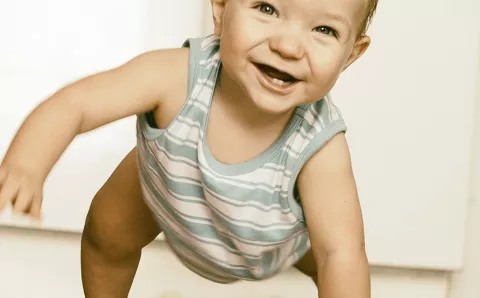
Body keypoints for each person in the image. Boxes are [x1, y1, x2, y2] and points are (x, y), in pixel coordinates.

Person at [0, 0, 378, 297]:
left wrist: (335, 268)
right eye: (267, 8)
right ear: (220, 9)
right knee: (107, 230)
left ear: (350, 56)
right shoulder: (177, 77)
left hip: (271, 233)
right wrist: (28, 161)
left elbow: (341, 254)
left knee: (332, 258)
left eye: (324, 29)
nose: (288, 45)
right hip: (170, 183)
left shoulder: (319, 146)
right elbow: (77, 104)